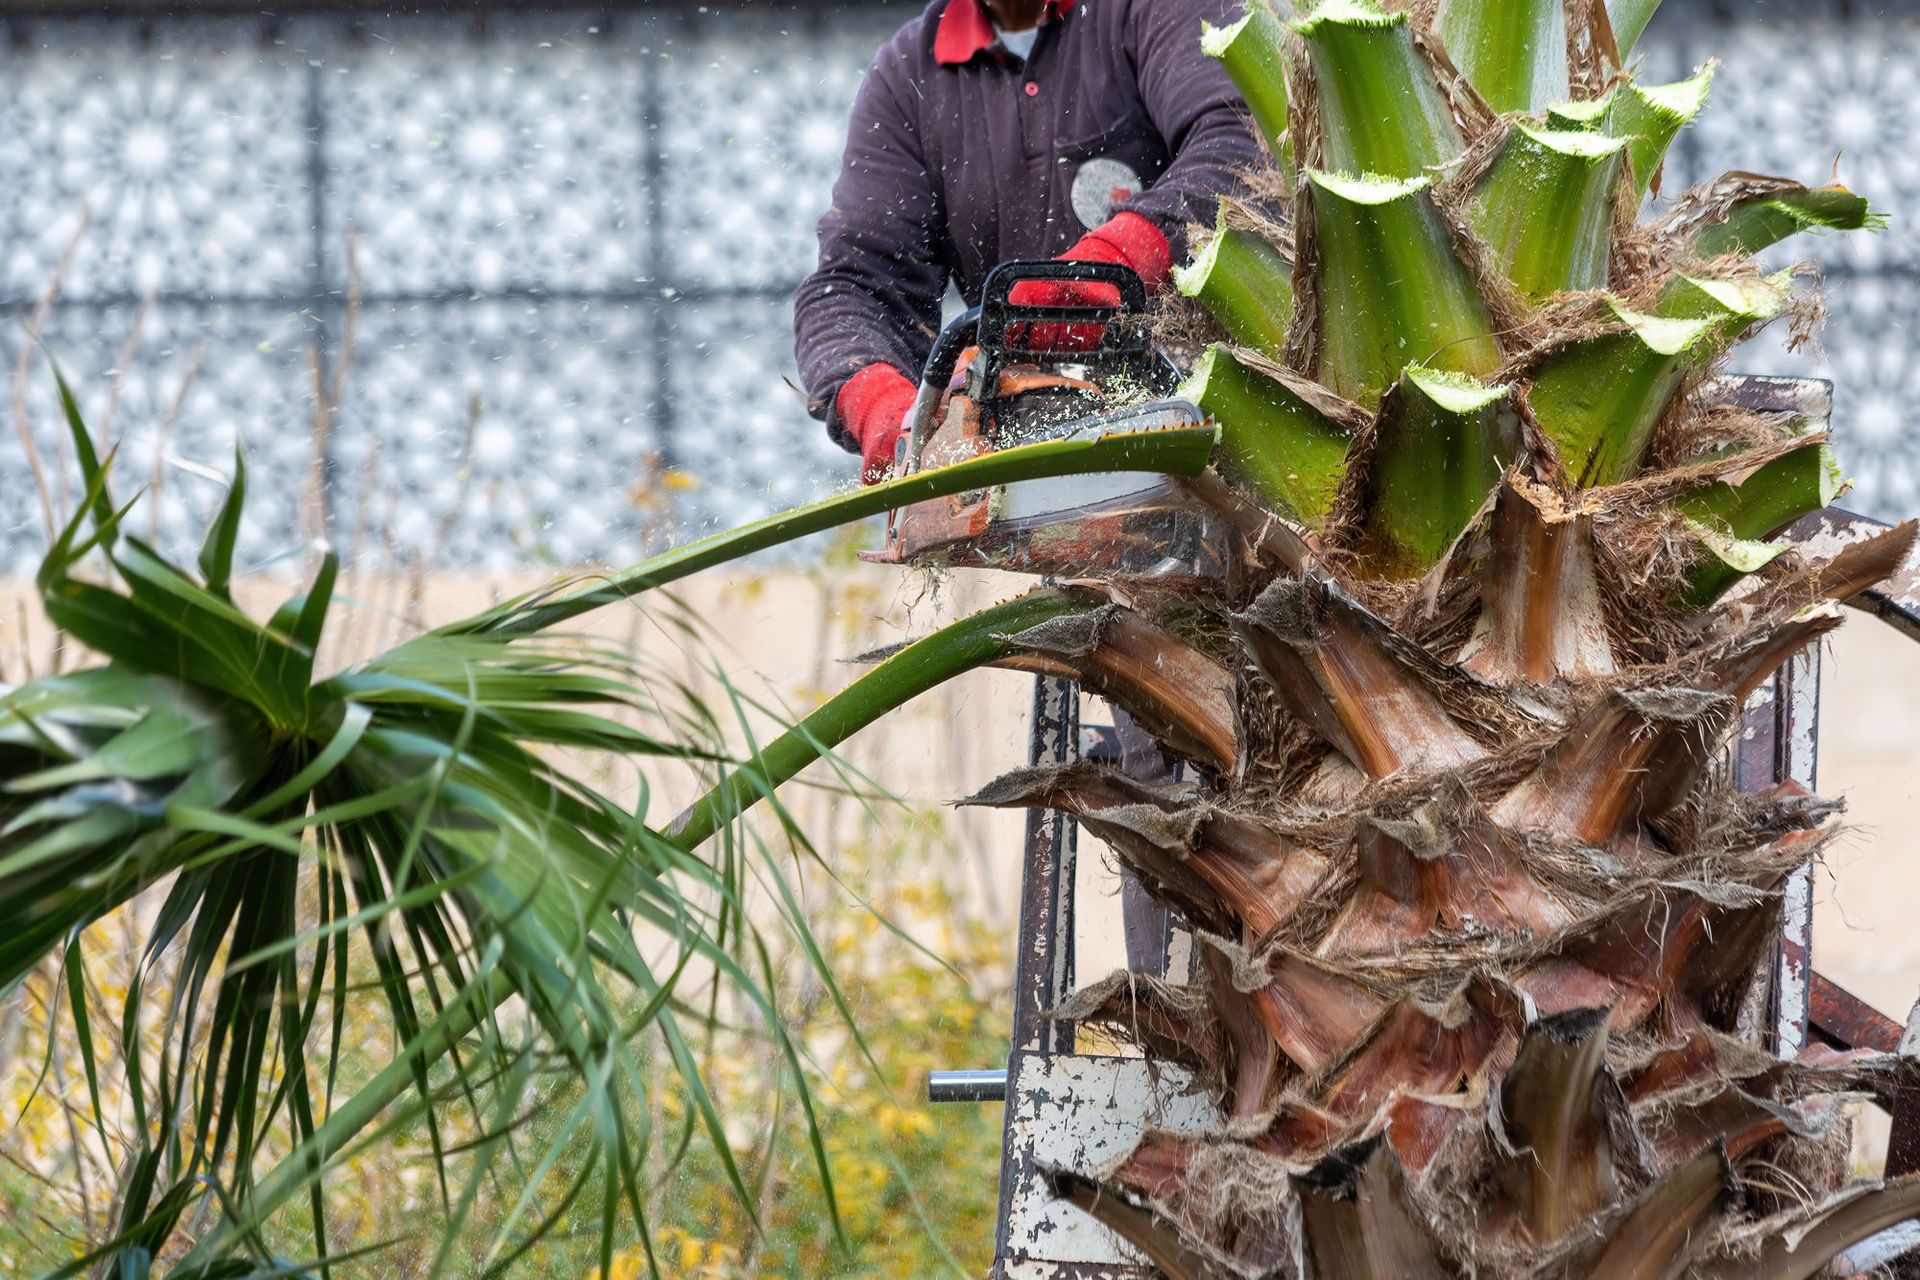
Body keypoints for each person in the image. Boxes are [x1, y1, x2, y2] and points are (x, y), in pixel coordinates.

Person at [794, 0, 1265, 483]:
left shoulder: (1156, 9)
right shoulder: (909, 75)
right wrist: (882, 406)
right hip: (1025, 445)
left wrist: (1100, 273)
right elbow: (854, 286)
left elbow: (1244, 147)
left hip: (1226, 407)